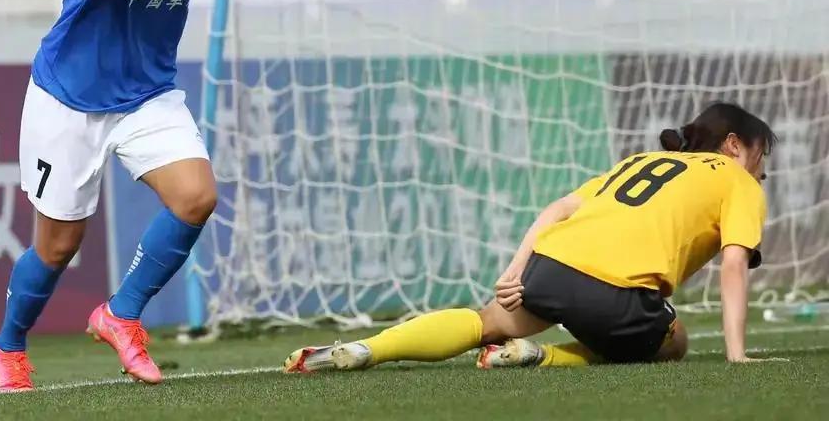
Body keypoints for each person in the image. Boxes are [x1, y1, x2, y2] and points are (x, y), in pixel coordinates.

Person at [0, 0, 241, 392]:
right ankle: (9, 348)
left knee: (196, 197)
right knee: (57, 248)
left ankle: (121, 314)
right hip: (70, 94)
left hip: (147, 92)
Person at [284, 102, 782, 373]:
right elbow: (733, 263)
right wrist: (737, 354)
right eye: (761, 156)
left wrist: (515, 271)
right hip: (615, 294)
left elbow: (558, 209)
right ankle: (541, 355)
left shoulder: (642, 161)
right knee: (674, 343)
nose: (761, 171)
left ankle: (368, 349)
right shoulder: (737, 180)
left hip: (549, 264)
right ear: (733, 146)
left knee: (486, 321)